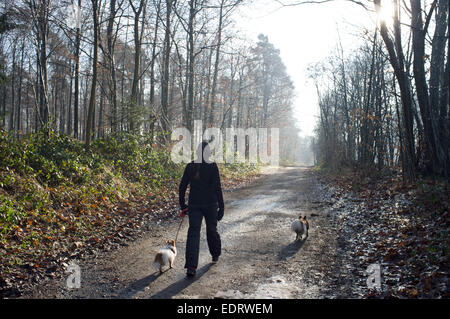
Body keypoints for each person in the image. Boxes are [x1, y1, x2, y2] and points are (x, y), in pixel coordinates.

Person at [179, 141, 225, 277]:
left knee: (193, 233)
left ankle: (191, 267)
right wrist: (221, 207)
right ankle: (215, 254)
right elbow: (217, 188)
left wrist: (183, 205)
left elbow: (182, 187)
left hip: (194, 205)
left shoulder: (190, 166)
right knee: (211, 230)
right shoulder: (212, 166)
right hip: (210, 204)